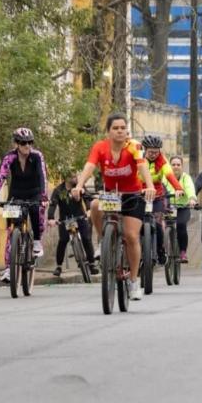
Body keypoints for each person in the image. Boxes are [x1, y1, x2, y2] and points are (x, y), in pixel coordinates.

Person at [72, 114, 156, 301]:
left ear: (127, 131)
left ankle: (133, 281)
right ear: (108, 132)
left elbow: (142, 167)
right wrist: (79, 185)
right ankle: (104, 241)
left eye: (122, 128)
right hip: (111, 193)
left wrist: (149, 186)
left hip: (133, 195)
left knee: (131, 236)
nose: (120, 131)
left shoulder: (135, 147)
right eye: (115, 128)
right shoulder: (100, 147)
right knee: (94, 204)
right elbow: (89, 166)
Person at [0, 128, 49, 283]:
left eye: (30, 142)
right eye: (23, 143)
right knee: (11, 231)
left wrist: (43, 196)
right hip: (16, 194)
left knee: (36, 209)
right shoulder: (10, 157)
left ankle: (36, 241)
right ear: (16, 143)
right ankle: (9, 268)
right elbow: (1, 176)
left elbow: (42, 176)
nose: (27, 146)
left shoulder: (37, 156)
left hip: (35, 192)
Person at [141, 135, 184, 265]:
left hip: (157, 196)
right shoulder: (139, 160)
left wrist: (178, 188)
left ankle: (160, 250)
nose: (153, 154)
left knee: (158, 225)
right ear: (145, 150)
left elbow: (169, 175)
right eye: (150, 152)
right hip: (139, 195)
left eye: (156, 152)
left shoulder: (162, 161)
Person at [48, 172, 98, 277]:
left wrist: (89, 210)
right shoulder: (58, 190)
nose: (76, 178)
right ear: (66, 178)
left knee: (86, 238)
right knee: (62, 241)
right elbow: (53, 204)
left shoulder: (79, 187)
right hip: (65, 220)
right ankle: (59, 266)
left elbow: (87, 198)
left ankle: (92, 264)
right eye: (73, 176)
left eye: (76, 176)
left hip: (80, 216)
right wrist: (51, 218)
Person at [165, 156, 198, 263]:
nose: (176, 167)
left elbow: (190, 189)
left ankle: (183, 252)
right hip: (167, 207)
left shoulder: (186, 178)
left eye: (178, 165)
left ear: (182, 166)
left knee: (181, 225)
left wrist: (192, 199)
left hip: (182, 207)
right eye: (173, 164)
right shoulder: (165, 177)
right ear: (170, 166)